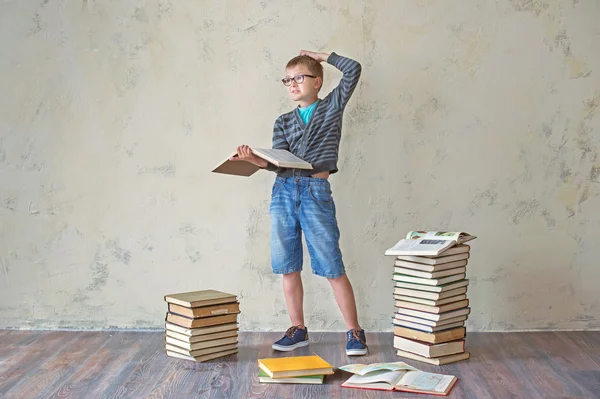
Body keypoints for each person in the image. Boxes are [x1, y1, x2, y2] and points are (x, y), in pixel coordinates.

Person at [230, 50, 366, 356]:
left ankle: (354, 331)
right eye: (287, 80)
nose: (292, 84)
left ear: (317, 82)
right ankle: (298, 328)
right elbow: (281, 163)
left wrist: (321, 55)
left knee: (331, 264)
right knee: (287, 265)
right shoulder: (283, 121)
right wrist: (254, 160)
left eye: (299, 78)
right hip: (283, 192)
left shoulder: (332, 106)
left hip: (315, 191)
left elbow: (353, 69)